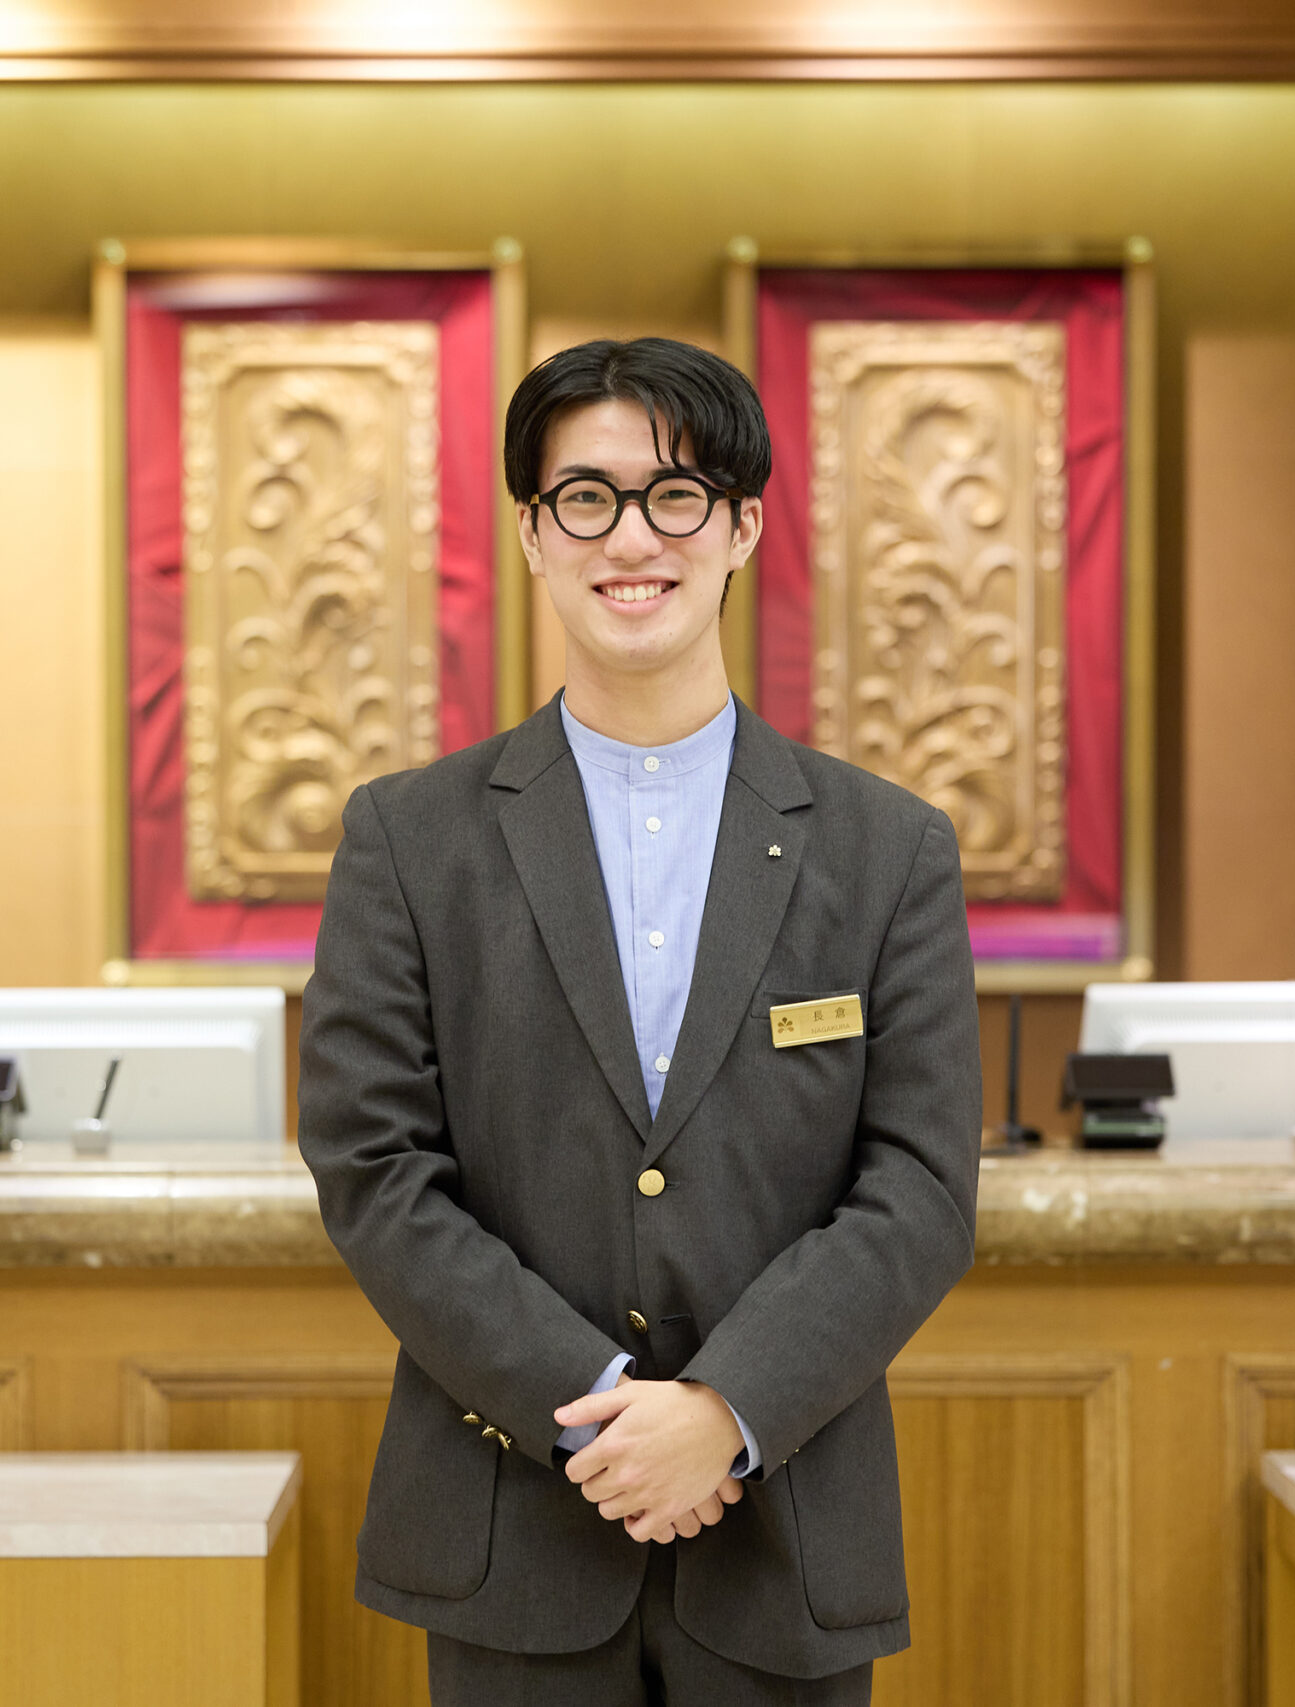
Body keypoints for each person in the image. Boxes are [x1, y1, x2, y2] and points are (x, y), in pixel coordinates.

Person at [299, 336, 981, 1705]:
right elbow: (374, 1170)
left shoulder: (888, 849)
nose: (632, 538)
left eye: (677, 496)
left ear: (741, 527)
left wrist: (727, 1411)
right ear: (532, 534)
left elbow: (918, 1188)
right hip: (511, 1534)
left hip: (783, 1538)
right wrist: (593, 1406)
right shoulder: (408, 839)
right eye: (587, 498)